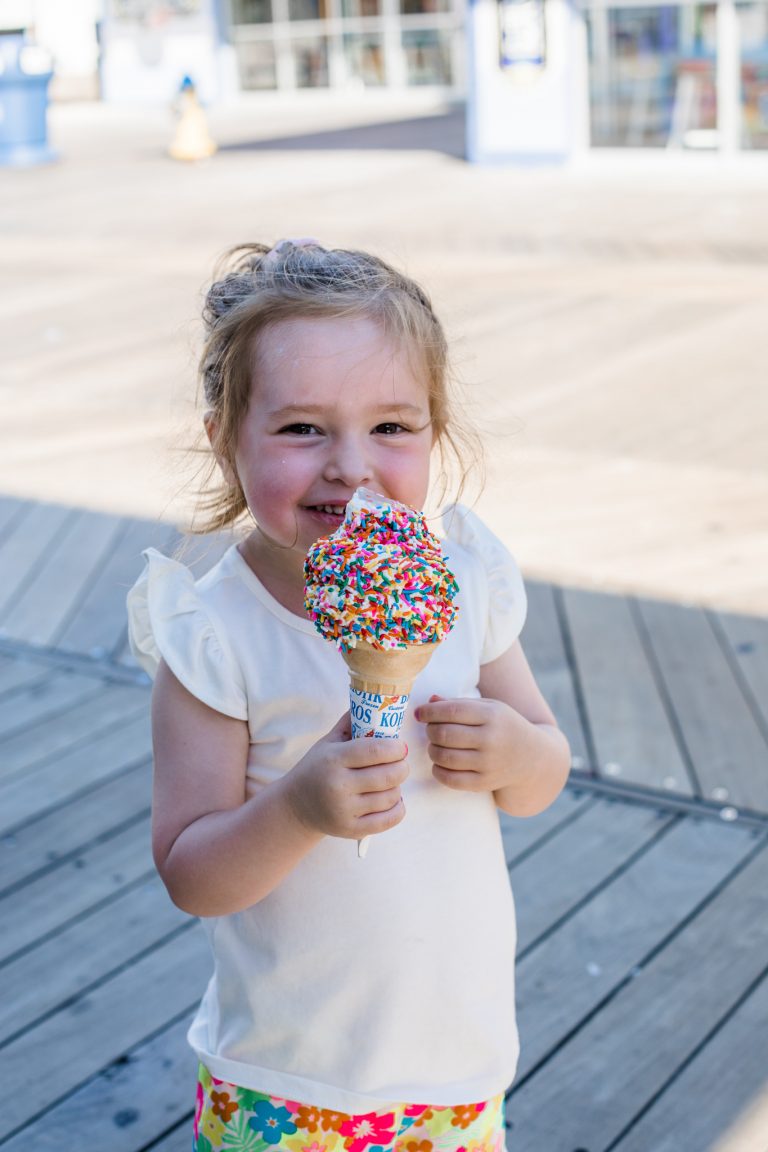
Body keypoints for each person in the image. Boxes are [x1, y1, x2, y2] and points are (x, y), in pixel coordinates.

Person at [127, 239, 570, 1152]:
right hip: (286, 1080)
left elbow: (544, 773)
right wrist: (297, 807)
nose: (351, 466)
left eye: (392, 428)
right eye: (301, 429)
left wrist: (518, 753)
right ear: (225, 440)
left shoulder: (461, 587)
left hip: (455, 1064)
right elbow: (191, 874)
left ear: (435, 433)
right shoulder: (215, 635)